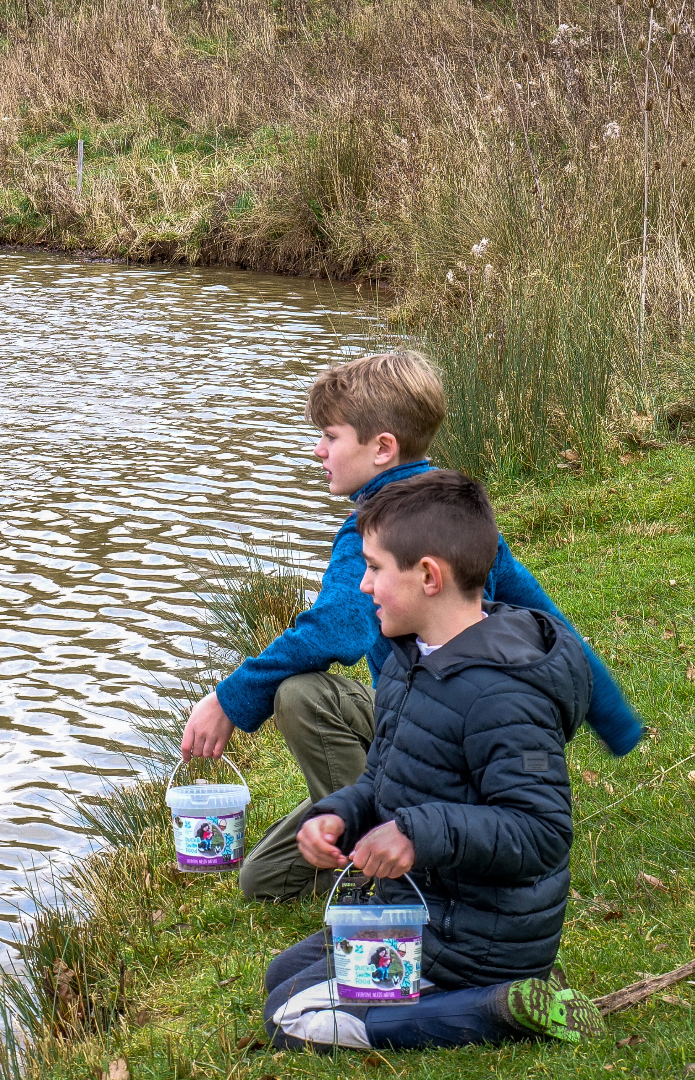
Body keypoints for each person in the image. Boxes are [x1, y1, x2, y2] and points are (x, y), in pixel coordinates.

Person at [180, 351, 643, 901]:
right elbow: (551, 621)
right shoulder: (457, 515)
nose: (318, 450)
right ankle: (351, 827)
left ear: (382, 448)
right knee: (262, 880)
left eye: (330, 436)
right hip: (417, 721)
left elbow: (337, 628)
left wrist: (230, 699)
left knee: (301, 695)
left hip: (453, 733)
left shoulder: (382, 533)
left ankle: (368, 871)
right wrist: (619, 726)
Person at [263, 470, 606, 1050]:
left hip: (479, 941)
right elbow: (384, 779)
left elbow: (543, 832)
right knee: (280, 979)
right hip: (424, 915)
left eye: (373, 569)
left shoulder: (503, 695)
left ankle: (496, 1008)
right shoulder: (407, 657)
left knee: (289, 1020)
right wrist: (341, 814)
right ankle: (485, 998)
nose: (364, 586)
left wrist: (418, 834)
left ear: (428, 576)